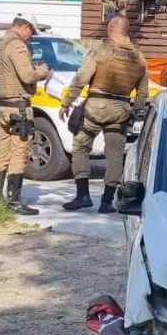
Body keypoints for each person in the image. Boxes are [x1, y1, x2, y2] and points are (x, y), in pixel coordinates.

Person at [60, 15, 149, 214]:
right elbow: (143, 93)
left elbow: (81, 78)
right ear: (127, 32)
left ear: (110, 30)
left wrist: (67, 102)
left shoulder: (100, 50)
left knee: (81, 146)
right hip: (120, 109)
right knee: (115, 156)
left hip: (96, 107)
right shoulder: (139, 57)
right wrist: (135, 112)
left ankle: (82, 195)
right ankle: (107, 202)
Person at [0, 14, 50, 216]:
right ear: (24, 27)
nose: (30, 36)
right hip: (18, 108)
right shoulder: (17, 46)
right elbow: (27, 75)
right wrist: (41, 71)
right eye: (31, 31)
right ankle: (14, 201)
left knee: (1, 151)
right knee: (19, 153)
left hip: (2, 106)